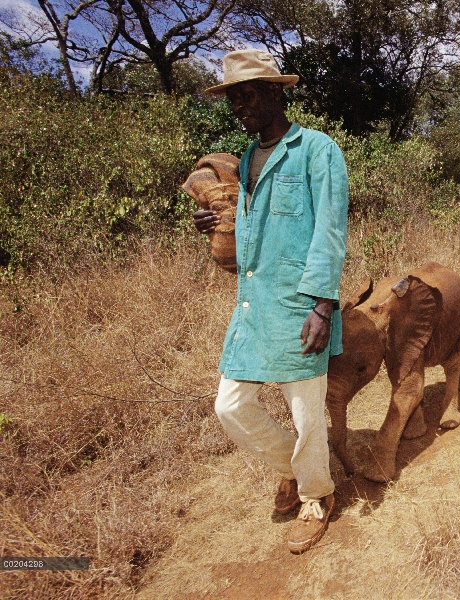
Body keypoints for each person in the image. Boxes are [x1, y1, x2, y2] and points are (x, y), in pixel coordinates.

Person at [193, 49, 349, 554]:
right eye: (233, 98)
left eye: (248, 94)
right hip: (252, 305)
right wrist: (219, 225)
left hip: (300, 305)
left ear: (277, 92)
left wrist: (323, 305)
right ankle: (295, 469)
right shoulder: (245, 159)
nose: (239, 106)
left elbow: (329, 229)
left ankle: (315, 496)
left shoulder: (316, 149)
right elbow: (255, 233)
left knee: (305, 412)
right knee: (230, 406)